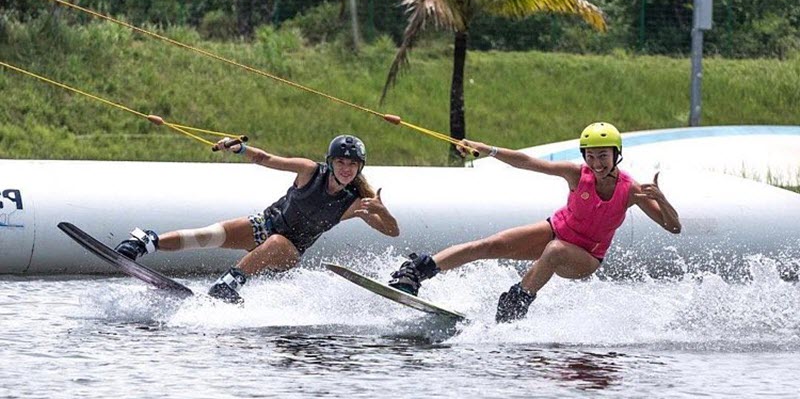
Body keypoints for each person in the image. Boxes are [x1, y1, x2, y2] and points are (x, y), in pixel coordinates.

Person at [388, 122, 681, 323]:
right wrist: (487, 149)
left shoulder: (631, 190)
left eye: (603, 156)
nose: (597, 163)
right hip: (556, 230)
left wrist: (663, 200)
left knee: (554, 250)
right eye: (590, 156)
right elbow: (528, 162)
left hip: (585, 257)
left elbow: (673, 227)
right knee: (490, 244)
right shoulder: (577, 174)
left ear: (616, 154)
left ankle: (516, 303)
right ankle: (417, 271)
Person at [115, 134, 399, 303]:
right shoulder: (309, 170)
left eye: (352, 164)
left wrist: (383, 212)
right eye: (341, 162)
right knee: (210, 234)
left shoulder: (356, 202)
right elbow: (266, 158)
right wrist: (239, 148)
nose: (346, 169)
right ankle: (147, 243)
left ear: (360, 167)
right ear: (330, 162)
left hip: (288, 252)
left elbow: (391, 232)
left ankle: (230, 283)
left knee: (277, 242)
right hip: (264, 225)